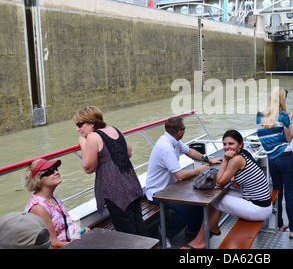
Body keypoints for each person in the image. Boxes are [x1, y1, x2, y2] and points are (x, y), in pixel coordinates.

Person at [183, 130, 272, 249]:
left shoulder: (236, 159)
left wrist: (225, 160)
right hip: (259, 201)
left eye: (231, 144)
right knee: (217, 197)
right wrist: (233, 178)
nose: (227, 147)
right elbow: (241, 173)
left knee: (215, 200)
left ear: (240, 144)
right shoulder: (244, 153)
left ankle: (200, 241)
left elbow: (219, 182)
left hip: (259, 208)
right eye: (225, 144)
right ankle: (213, 227)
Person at [144, 117, 222, 245]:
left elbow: (189, 151)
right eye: (184, 129)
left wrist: (207, 159)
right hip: (158, 192)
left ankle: (192, 230)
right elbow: (180, 175)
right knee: (187, 210)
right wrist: (198, 170)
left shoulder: (173, 140)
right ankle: (165, 232)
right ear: (180, 132)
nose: (185, 131)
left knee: (198, 202)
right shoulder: (166, 148)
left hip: (171, 187)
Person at [74, 106, 147, 236]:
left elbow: (88, 168)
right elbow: (129, 152)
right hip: (132, 185)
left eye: (80, 124)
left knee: (127, 235)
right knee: (138, 225)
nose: (77, 129)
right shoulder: (114, 130)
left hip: (116, 192)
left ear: (91, 122)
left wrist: (83, 144)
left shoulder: (93, 137)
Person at [256, 87, 293, 238]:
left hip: (271, 159)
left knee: (277, 192)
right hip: (285, 157)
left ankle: (279, 225)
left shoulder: (259, 115)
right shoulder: (283, 116)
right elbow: (288, 139)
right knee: (289, 194)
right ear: (283, 99)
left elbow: (266, 137)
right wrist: (289, 121)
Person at [23, 159, 88, 248]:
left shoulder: (52, 196)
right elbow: (53, 244)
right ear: (39, 179)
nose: (56, 172)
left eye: (56, 168)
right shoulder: (38, 208)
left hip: (72, 240)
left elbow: (66, 220)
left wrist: (80, 230)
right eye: (50, 171)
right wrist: (82, 245)